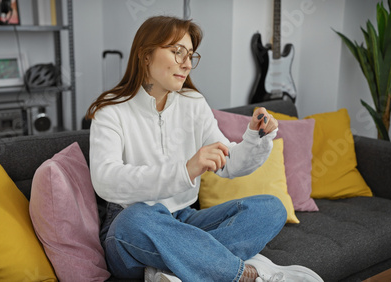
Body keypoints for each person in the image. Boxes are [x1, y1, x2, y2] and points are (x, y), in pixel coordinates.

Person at [86, 15, 323, 282]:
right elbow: (106, 180)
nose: (187, 64)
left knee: (271, 208)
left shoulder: (193, 104)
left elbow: (229, 163)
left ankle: (176, 269)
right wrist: (186, 170)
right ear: (145, 56)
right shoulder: (111, 110)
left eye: (190, 55)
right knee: (135, 219)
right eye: (177, 52)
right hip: (134, 229)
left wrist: (255, 138)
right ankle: (241, 273)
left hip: (185, 220)